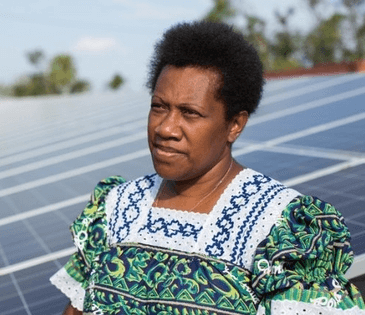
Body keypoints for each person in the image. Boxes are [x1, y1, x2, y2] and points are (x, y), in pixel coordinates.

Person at [51, 21, 365, 315]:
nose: (166, 128)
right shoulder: (114, 207)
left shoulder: (277, 228)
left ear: (235, 124)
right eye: (159, 107)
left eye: (190, 113)